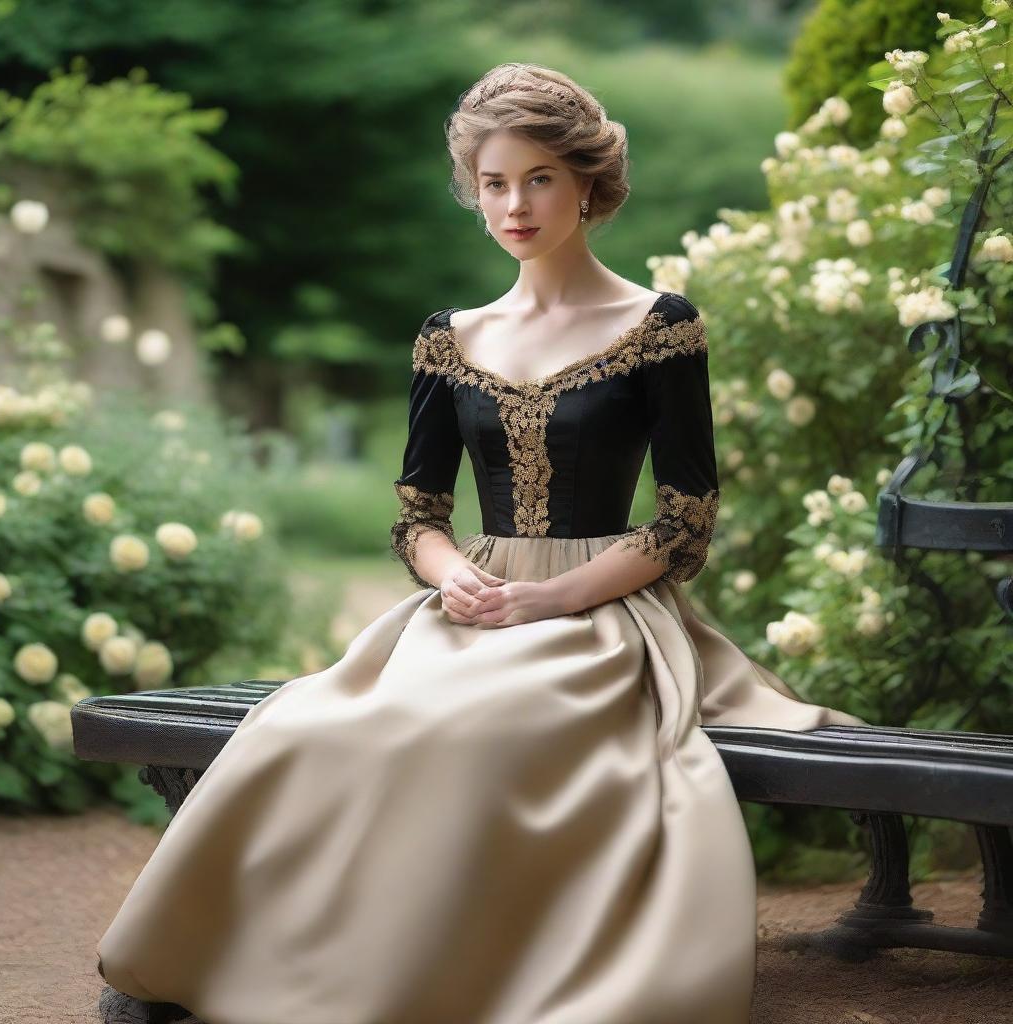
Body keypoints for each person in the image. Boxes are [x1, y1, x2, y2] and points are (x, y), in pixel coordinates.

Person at [96, 62, 868, 1024]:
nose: (514, 204)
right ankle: (208, 971)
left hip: (600, 614)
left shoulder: (660, 326)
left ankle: (443, 988)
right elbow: (418, 515)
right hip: (466, 609)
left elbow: (684, 521)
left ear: (588, 184)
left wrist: (548, 599)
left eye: (539, 178)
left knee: (459, 733)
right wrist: (459, 574)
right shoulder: (448, 338)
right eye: (494, 183)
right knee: (309, 726)